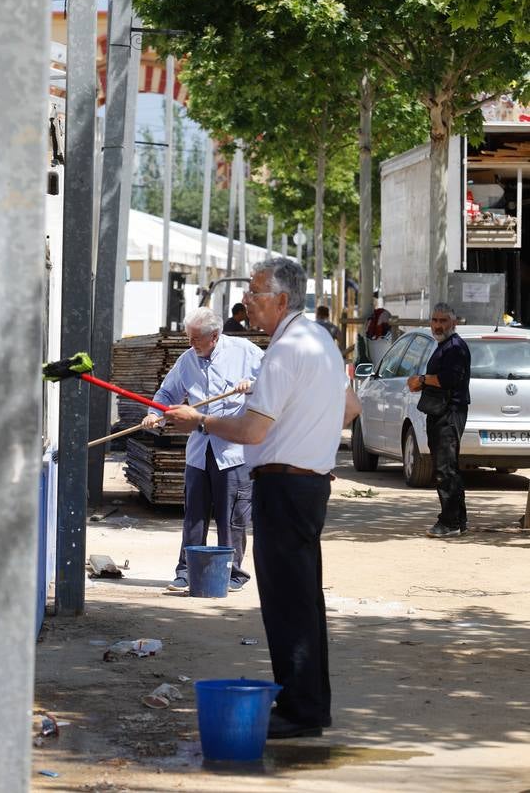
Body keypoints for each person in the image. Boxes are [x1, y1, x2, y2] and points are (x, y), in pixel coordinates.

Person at [166, 258, 345, 739]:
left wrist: (199, 420)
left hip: (285, 486)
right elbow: (350, 408)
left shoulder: (286, 350)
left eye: (256, 292)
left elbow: (250, 429)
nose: (247, 300)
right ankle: (309, 705)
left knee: (288, 605)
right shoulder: (321, 341)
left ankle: (299, 710)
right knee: (302, 600)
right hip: (309, 484)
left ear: (282, 300)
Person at [141, 307, 262, 591]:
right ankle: (186, 572)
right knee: (194, 516)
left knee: (231, 518)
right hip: (199, 451)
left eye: (196, 339)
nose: (191, 344)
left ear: (215, 336)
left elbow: (275, 382)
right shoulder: (187, 361)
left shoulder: (244, 352)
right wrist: (154, 413)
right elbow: (166, 393)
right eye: (189, 338)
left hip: (233, 452)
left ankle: (232, 573)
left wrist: (252, 385)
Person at [407, 302, 471, 538]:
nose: (438, 325)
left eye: (443, 321)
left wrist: (421, 380)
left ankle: (449, 522)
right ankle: (459, 520)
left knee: (445, 470)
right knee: (448, 468)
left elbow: (448, 379)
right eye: (435, 320)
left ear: (453, 322)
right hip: (440, 412)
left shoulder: (455, 347)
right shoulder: (443, 346)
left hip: (449, 413)